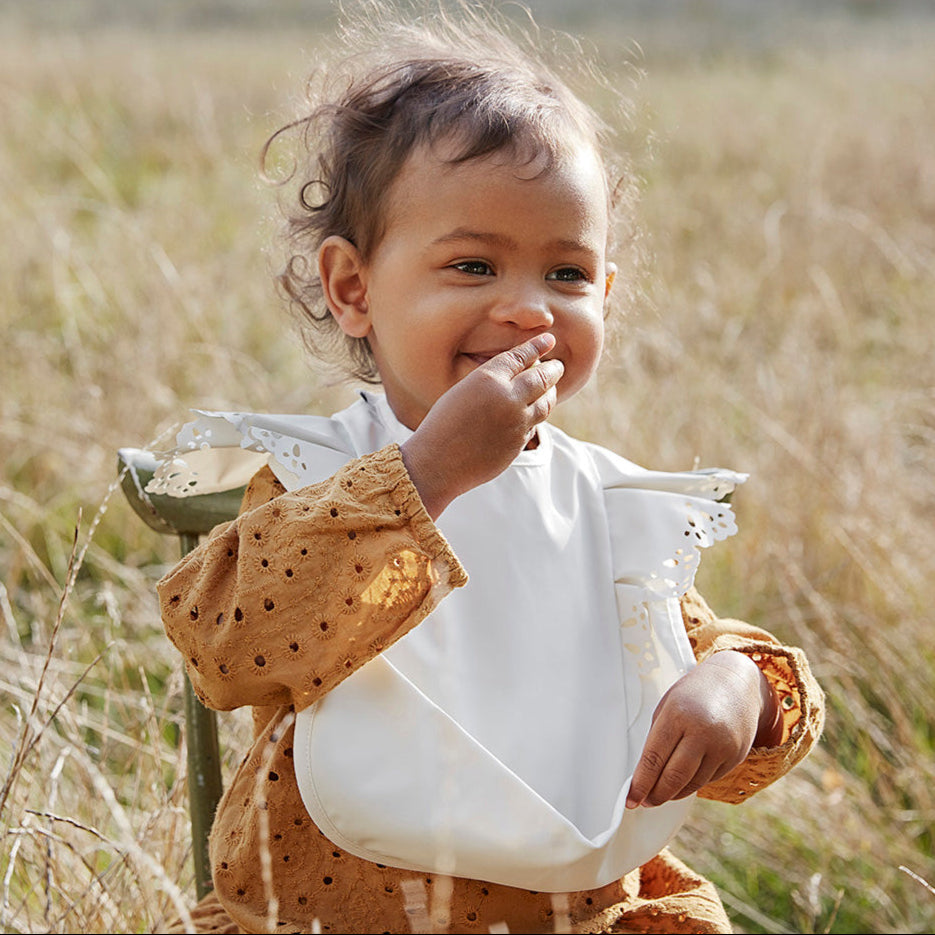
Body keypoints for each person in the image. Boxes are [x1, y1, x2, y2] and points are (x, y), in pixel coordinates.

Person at [152, 5, 824, 933]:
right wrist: (424, 475)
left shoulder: (604, 499)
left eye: (566, 274)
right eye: (472, 265)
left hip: (579, 908)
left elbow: (681, 636)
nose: (526, 310)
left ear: (606, 293)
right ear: (353, 288)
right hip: (336, 911)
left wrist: (736, 686)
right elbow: (222, 639)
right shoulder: (323, 475)